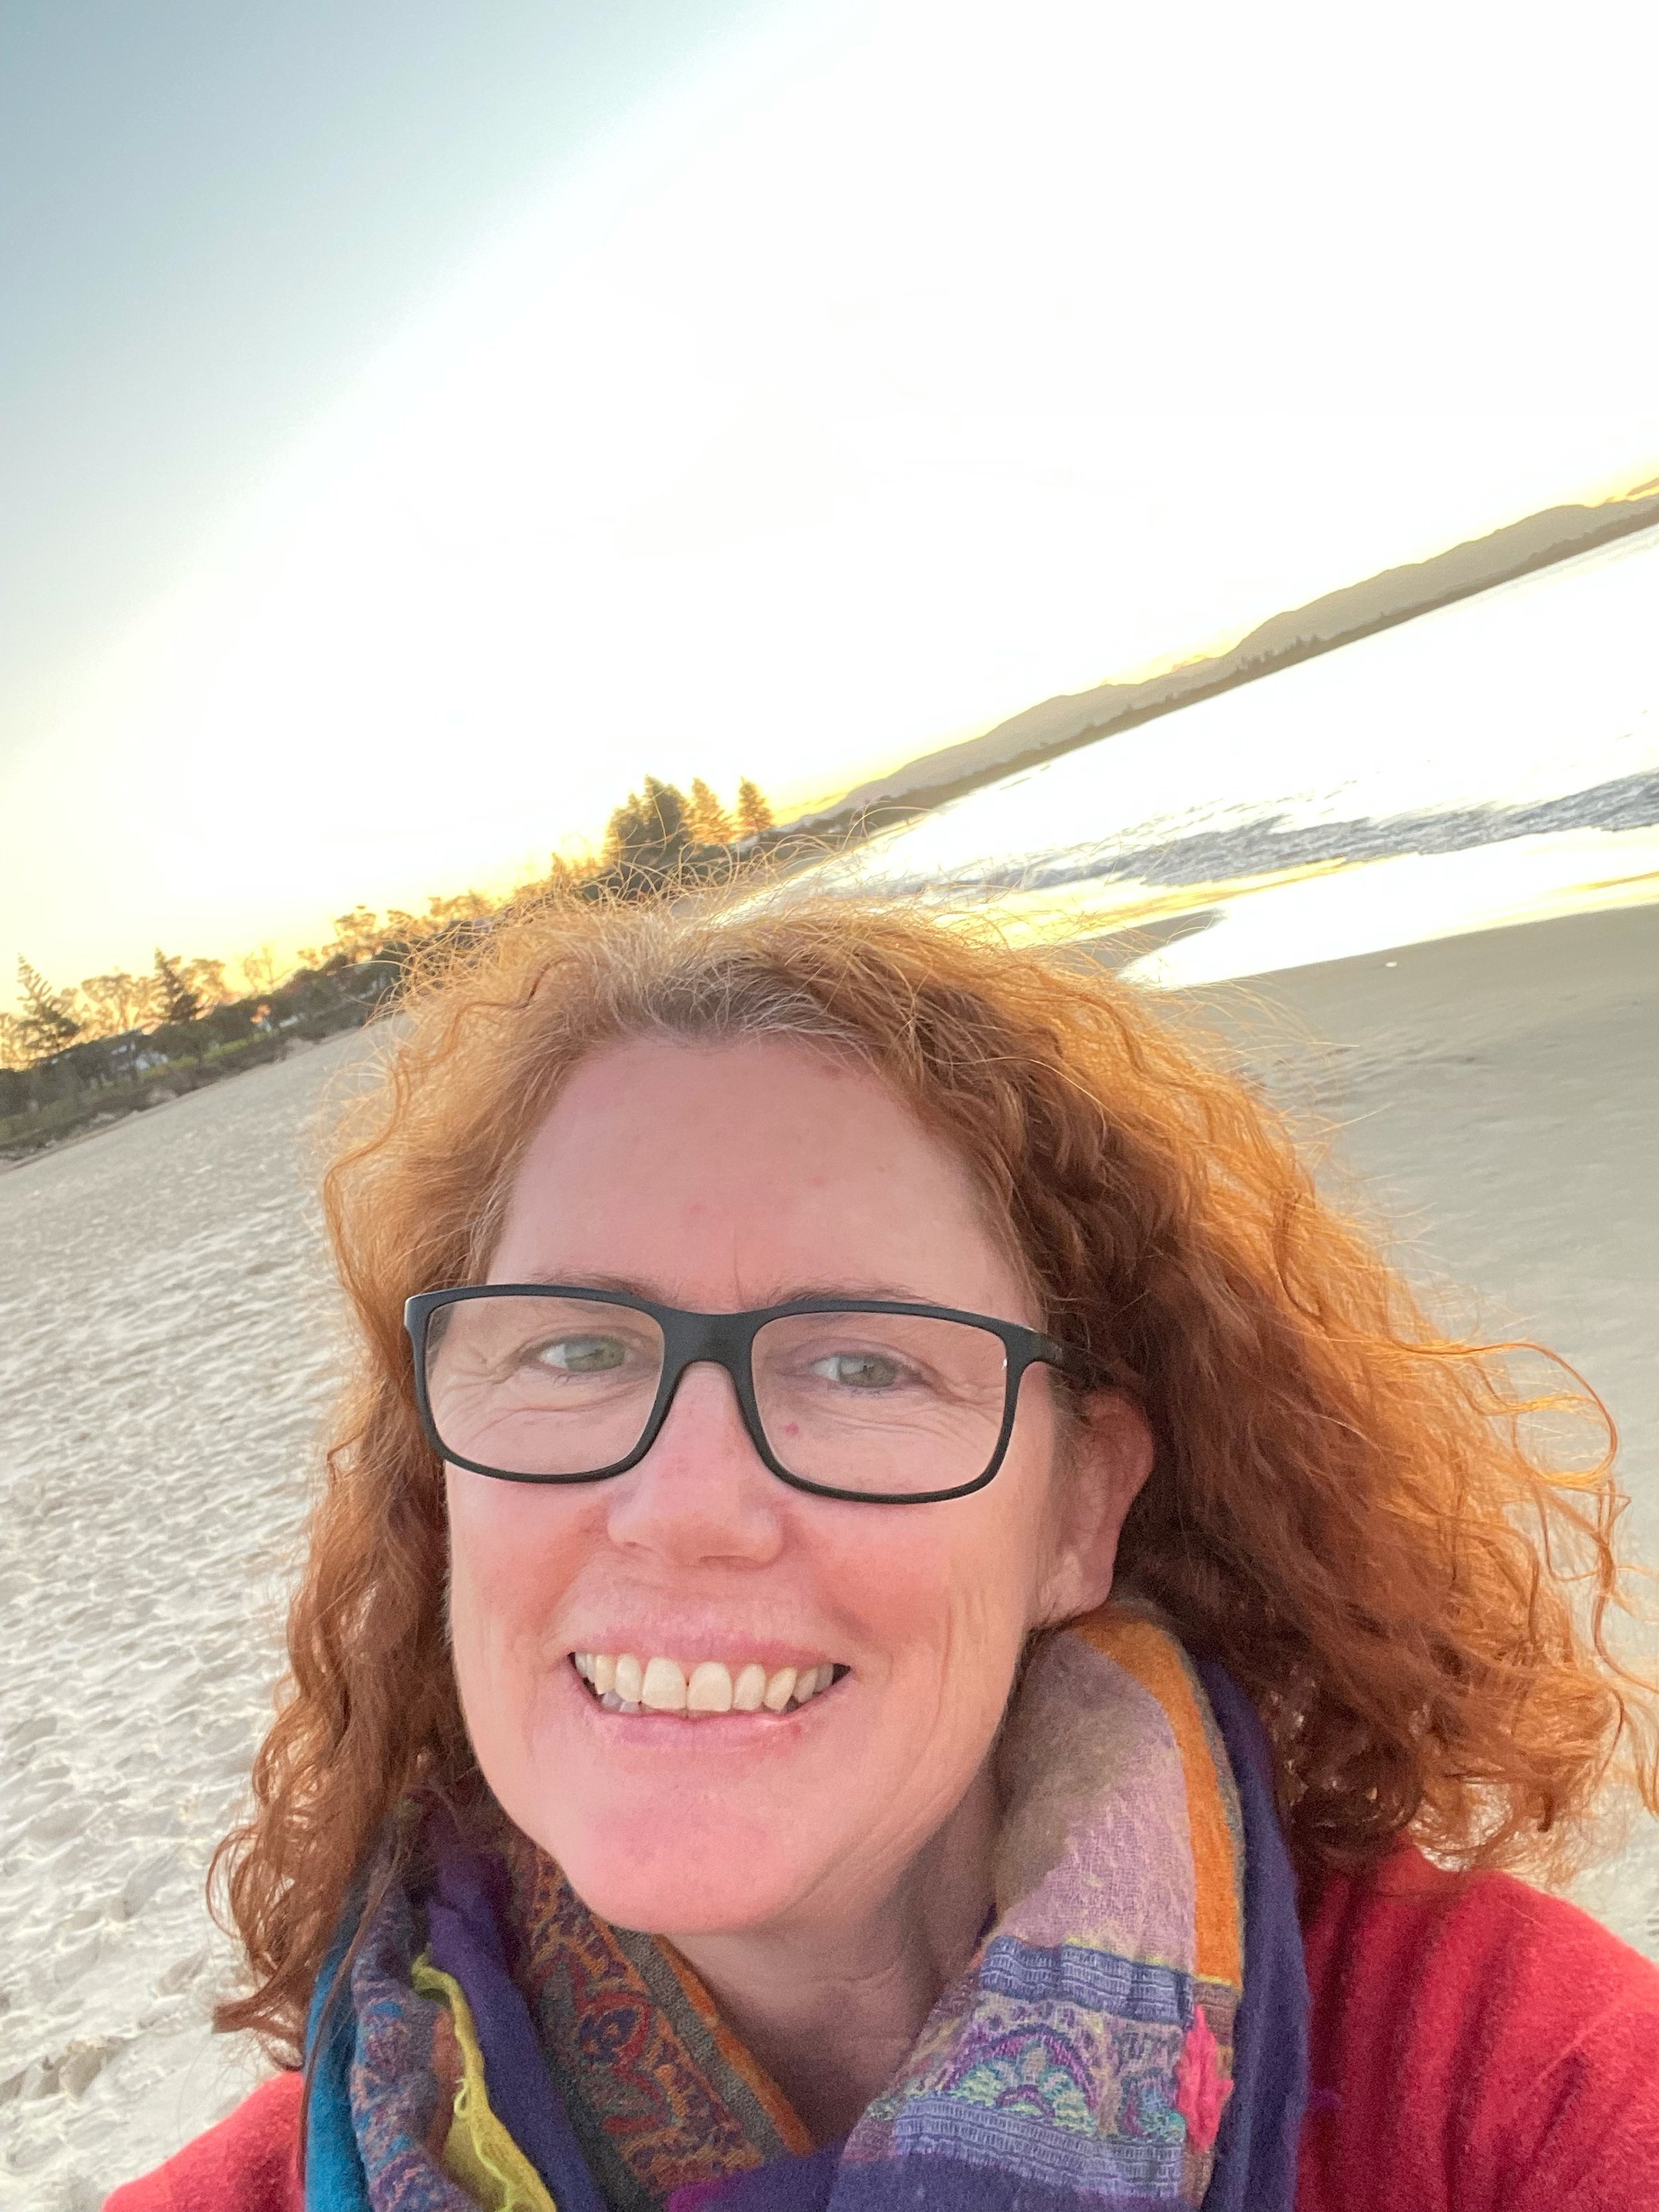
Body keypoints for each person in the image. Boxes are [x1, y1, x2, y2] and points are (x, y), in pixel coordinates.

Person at [108, 893, 1659, 2212]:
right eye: (576, 1348)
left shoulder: (1492, 2088)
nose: (680, 1501)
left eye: (861, 1364)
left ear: (1076, 1508)